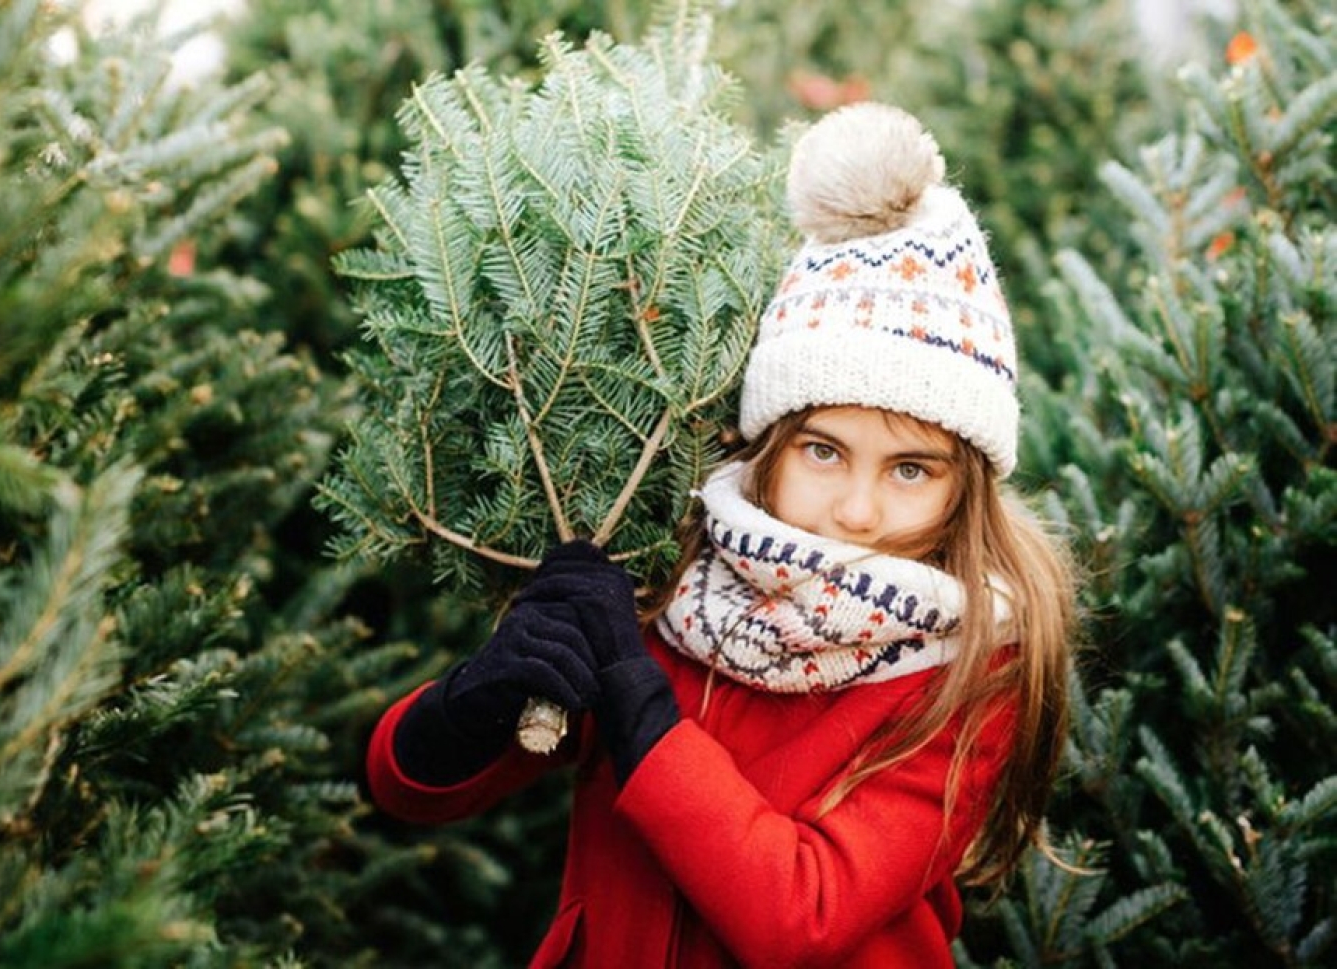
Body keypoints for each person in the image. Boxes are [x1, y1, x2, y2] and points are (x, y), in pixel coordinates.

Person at [365, 101, 1077, 968]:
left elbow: (799, 915)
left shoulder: (964, 669)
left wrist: (643, 716)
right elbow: (411, 788)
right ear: (768, 443)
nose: (857, 509)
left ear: (965, 488)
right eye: (823, 450)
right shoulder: (671, 579)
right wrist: (483, 691)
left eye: (910, 469)